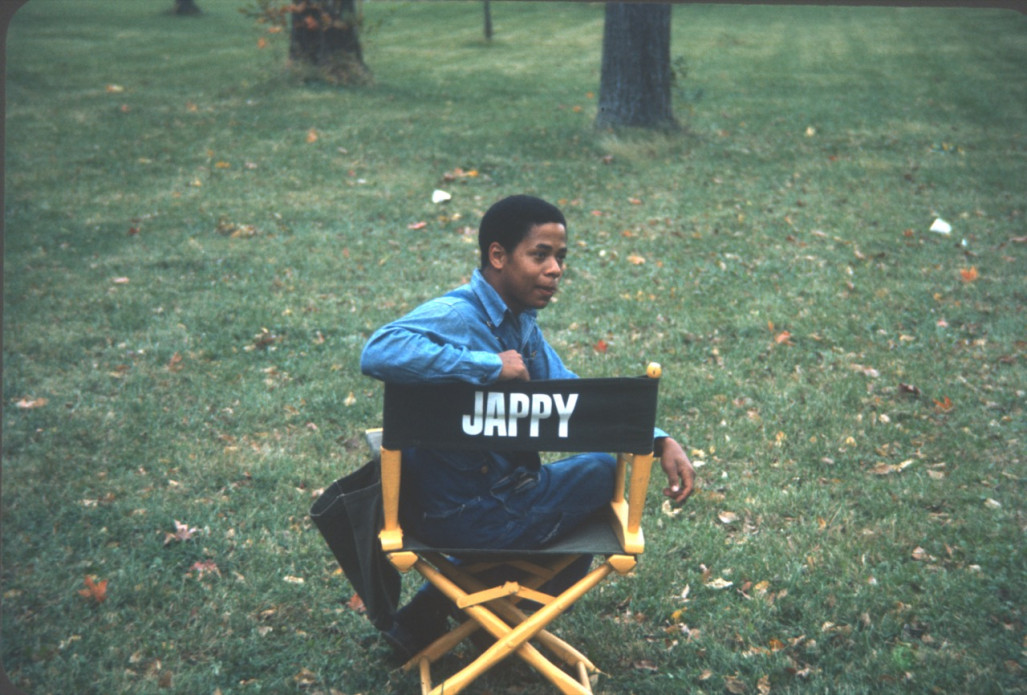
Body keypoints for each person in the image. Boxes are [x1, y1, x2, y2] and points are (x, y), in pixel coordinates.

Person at [360, 194, 695, 658]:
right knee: (601, 476)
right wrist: (486, 366)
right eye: (540, 254)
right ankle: (489, 622)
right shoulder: (459, 315)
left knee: (588, 484)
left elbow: (573, 395)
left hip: (463, 503)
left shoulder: (522, 325)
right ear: (498, 256)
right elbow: (378, 350)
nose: (555, 269)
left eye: (560, 257)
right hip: (467, 514)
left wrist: (656, 438)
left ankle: (449, 617)